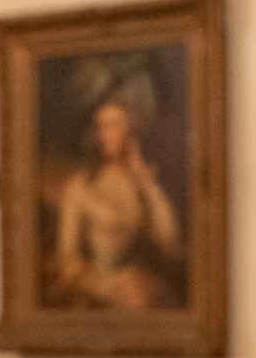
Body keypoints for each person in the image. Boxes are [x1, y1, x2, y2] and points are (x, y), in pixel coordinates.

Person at [50, 97, 184, 309]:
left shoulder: (141, 183)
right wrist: (109, 286)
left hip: (140, 285)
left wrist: (144, 180)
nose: (107, 133)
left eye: (115, 125)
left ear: (129, 132)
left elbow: (170, 239)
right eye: (102, 126)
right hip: (96, 289)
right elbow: (68, 261)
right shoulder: (79, 187)